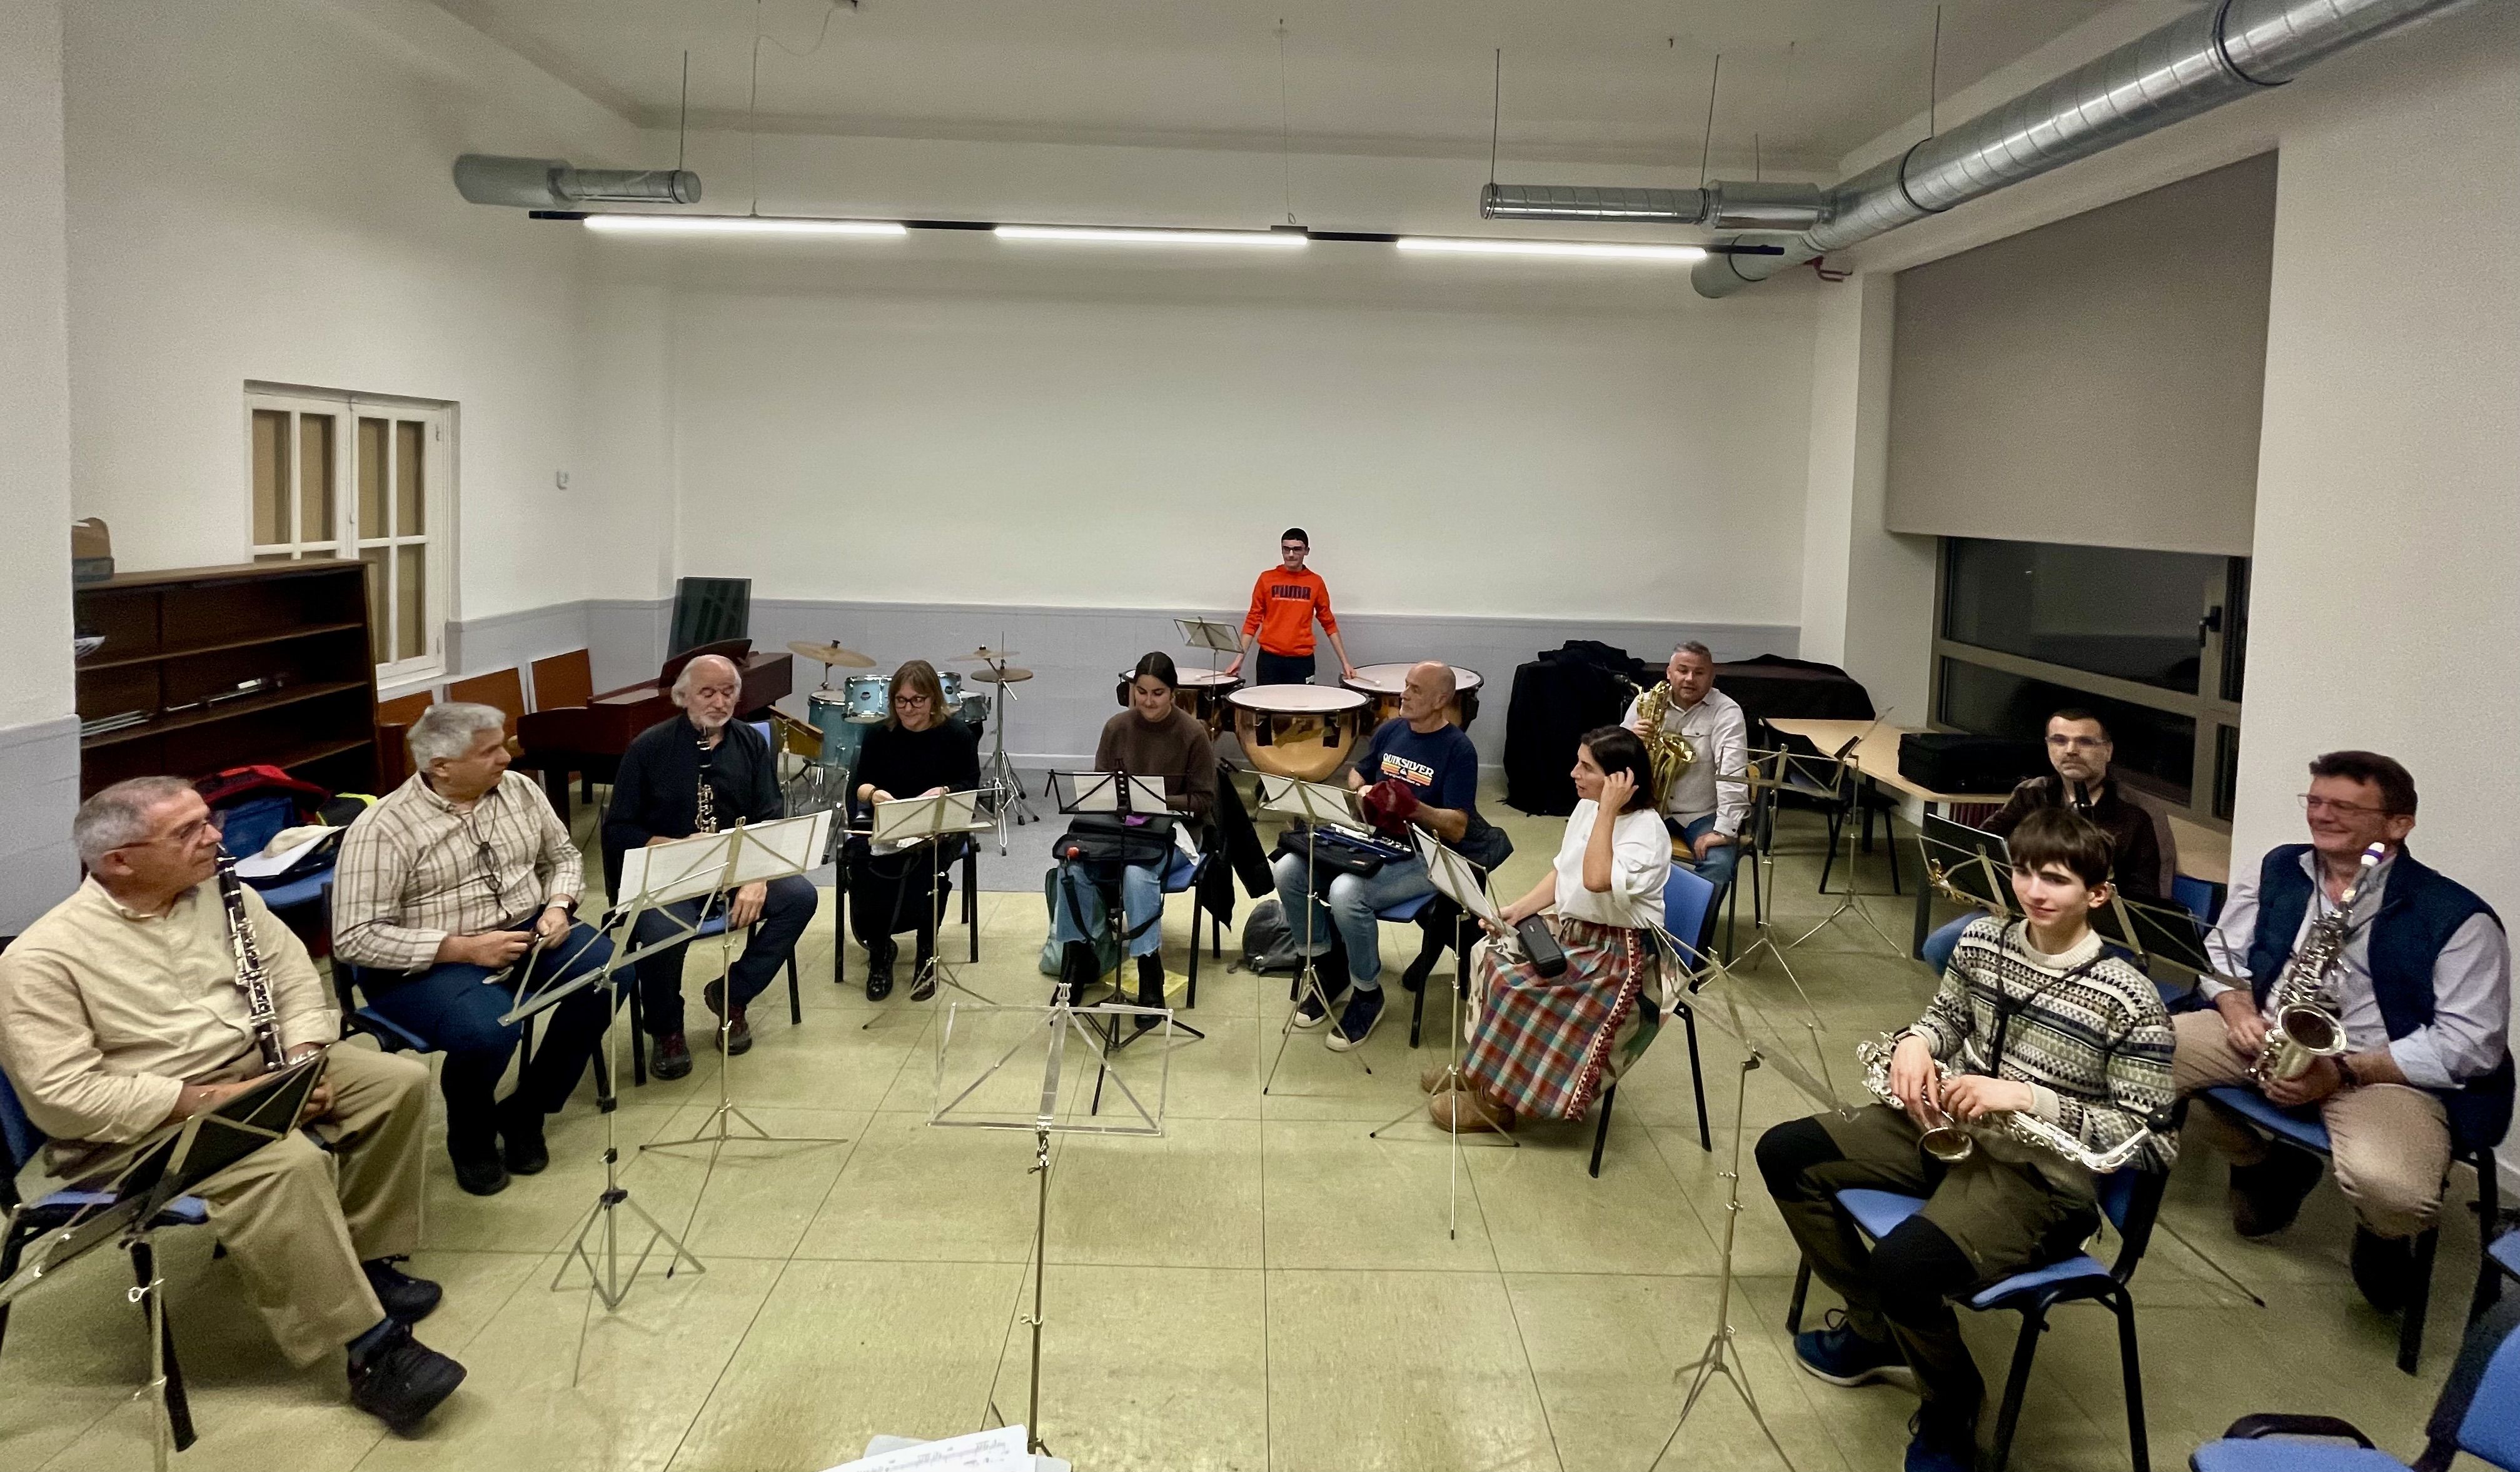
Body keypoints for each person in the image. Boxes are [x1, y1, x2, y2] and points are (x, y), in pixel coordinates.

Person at [0, 779, 466, 1432]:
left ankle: (364, 1259)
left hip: (266, 1073)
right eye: (187, 831)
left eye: (207, 820)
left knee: (397, 1082)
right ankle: (370, 1349)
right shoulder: (42, 958)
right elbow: (65, 1097)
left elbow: (296, 980)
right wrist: (228, 1099)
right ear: (118, 861)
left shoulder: (227, 895)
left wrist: (301, 1062)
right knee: (286, 1162)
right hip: (144, 1123)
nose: (216, 836)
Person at [1755, 808, 2175, 1472]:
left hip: (2039, 1181)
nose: (2033, 891)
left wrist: (2027, 1095)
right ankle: (1875, 1328)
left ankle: (1952, 1406)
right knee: (1785, 1152)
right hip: (1950, 1131)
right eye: (2024, 872)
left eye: (2057, 880)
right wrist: (1917, 1042)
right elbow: (1946, 1016)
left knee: (1905, 1265)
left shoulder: (2129, 998)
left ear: (2098, 893)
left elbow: (2148, 1139)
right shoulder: (1982, 941)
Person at [2174, 750, 2509, 1313]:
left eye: (2345, 807)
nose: (2322, 816)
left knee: (2397, 1193)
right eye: (2316, 801)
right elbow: (2222, 955)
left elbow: (2470, 1045)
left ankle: (2382, 1237)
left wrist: (2345, 1070)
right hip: (2264, 1032)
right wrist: (2236, 1010)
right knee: (2139, 1051)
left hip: (2378, 1072)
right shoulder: (2282, 867)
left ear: (2398, 824)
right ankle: (2264, 1169)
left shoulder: (2458, 917)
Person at [333, 703, 619, 1196]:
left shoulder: (520, 790)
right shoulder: (384, 829)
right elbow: (354, 937)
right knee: (489, 1028)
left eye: (503, 744)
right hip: (423, 966)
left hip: (526, 929)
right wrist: (461, 949)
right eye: (488, 751)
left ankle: (527, 1109)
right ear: (440, 765)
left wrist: (558, 905)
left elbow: (564, 857)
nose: (506, 758)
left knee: (607, 973)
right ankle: (471, 1137)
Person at [1434, 727, 1671, 1134]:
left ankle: (1497, 1104)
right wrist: (1512, 912)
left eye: (1586, 767)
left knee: (1515, 985)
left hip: (1620, 953)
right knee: (1487, 953)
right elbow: (1565, 871)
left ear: (1620, 781)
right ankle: (1482, 1072)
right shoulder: (1588, 806)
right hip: (1579, 930)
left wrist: (1609, 812)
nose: (1573, 773)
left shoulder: (1647, 833)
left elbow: (1596, 878)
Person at [603, 653, 819, 1079]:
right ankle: (666, 1029)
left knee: (799, 897)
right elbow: (619, 830)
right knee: (661, 932)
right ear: (682, 697)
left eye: (728, 692)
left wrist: (757, 877)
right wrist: (677, 845)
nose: (720, 702)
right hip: (672, 872)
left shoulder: (751, 742)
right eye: (708, 692)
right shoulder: (649, 748)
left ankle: (732, 995)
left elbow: (769, 815)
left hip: (737, 867)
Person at [1272, 661, 1491, 1051]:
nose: (1404, 694)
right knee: (1288, 868)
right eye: (1405, 686)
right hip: (1374, 841)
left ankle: (1367, 993)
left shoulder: (1459, 750)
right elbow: (1359, 772)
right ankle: (1327, 963)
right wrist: (1363, 790)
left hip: (1425, 856)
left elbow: (1458, 827)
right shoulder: (1391, 730)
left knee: (1345, 892)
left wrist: (1413, 808)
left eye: (1416, 690)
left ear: (1442, 699)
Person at [1920, 707, 2166, 974]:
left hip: (2100, 930)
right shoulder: (2031, 793)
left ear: (2108, 751)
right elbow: (1979, 848)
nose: (2070, 750)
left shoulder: (2140, 813)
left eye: (2084, 741)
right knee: (1939, 948)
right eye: (2059, 740)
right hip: (2023, 912)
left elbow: (2149, 903)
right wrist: (1994, 895)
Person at [1051, 653, 1219, 1026]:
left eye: (1157, 693)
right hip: (1119, 830)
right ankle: (1078, 958)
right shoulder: (1117, 727)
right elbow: (1100, 790)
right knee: (1072, 867)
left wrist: (1153, 799)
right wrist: (1122, 802)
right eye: (1140, 692)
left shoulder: (1193, 733)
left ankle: (1149, 967)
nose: (1147, 701)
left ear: (1173, 693)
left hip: (1173, 833)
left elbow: (1204, 800)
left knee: (1137, 874)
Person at [846, 659, 982, 1002]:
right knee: (863, 861)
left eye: (917, 700)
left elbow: (969, 784)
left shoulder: (957, 735)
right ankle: (880, 951)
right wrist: (876, 795)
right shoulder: (879, 734)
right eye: (901, 701)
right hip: (888, 820)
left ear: (933, 700)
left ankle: (926, 951)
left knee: (925, 863)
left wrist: (943, 792)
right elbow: (859, 786)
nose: (909, 708)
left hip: (938, 824)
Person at [1620, 642, 1748, 897]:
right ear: (1669, 672)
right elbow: (1612, 759)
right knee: (1611, 848)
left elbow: (1732, 774)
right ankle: (1634, 926)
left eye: (1699, 673)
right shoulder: (1644, 703)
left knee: (1719, 865)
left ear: (1712, 676)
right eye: (1683, 670)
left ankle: (1690, 931)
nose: (1690, 679)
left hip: (1702, 814)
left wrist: (1724, 830)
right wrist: (1629, 739)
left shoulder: (1727, 712)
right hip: (1649, 807)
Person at [1223, 527, 1357, 687]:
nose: (1291, 554)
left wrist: (1345, 662)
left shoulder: (1316, 582)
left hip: (1302, 661)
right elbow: (1253, 620)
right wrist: (1239, 659)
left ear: (1306, 551)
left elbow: (1329, 623)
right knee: (1268, 708)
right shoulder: (1267, 579)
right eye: (1286, 549)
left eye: (1297, 549)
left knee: (1300, 710)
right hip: (1269, 660)